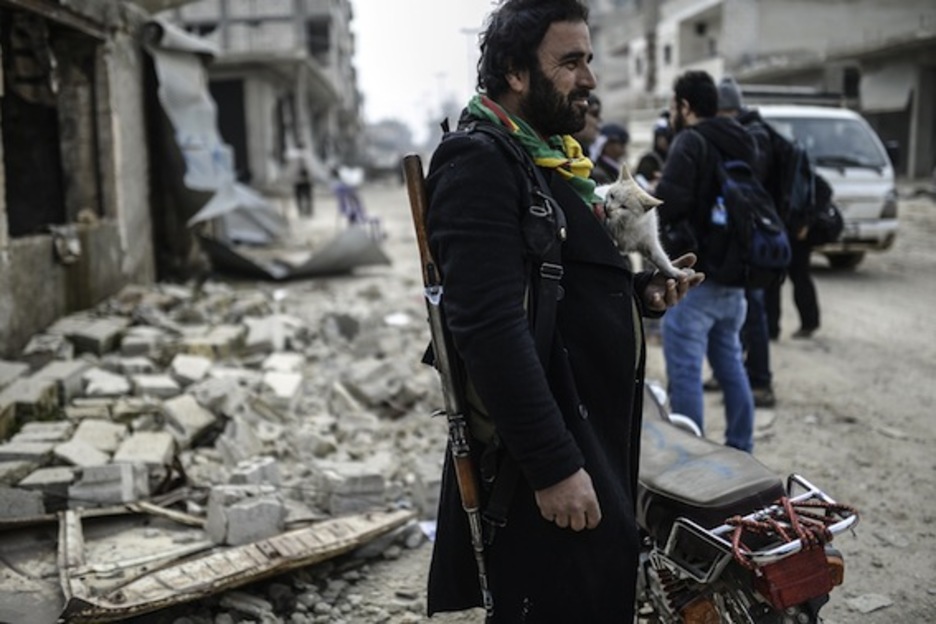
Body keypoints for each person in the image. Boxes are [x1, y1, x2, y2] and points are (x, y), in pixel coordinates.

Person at [422, 1, 703, 621]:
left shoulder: (548, 160)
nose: (589, 79)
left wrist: (637, 295)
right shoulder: (479, 162)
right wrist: (552, 466)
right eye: (570, 62)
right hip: (539, 463)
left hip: (588, 430)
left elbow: (551, 283)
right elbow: (488, 329)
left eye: (589, 60)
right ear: (516, 72)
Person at [654, 69, 757, 452]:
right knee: (731, 363)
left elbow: (669, 203)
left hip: (697, 277)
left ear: (686, 106)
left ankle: (691, 456)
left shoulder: (690, 141)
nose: (672, 114)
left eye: (673, 106)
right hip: (735, 274)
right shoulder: (743, 139)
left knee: (685, 371)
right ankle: (741, 447)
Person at [716, 75, 776, 407]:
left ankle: (762, 382)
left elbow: (748, 183)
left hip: (752, 235)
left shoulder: (753, 137)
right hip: (740, 234)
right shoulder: (748, 133)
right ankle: (731, 371)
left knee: (753, 310)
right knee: (738, 314)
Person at [635, 111, 672, 191]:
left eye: (664, 137)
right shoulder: (649, 160)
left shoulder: (674, 157)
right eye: (658, 137)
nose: (661, 141)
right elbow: (639, 181)